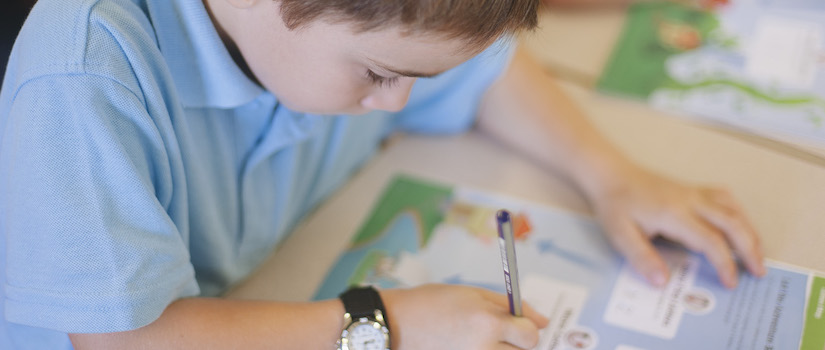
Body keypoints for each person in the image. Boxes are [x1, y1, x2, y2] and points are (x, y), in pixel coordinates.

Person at [0, 0, 765, 349]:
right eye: (378, 73)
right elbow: (131, 344)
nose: (399, 100)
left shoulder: (339, 37)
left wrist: (611, 174)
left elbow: (487, 73)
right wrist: (386, 325)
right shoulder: (84, 77)